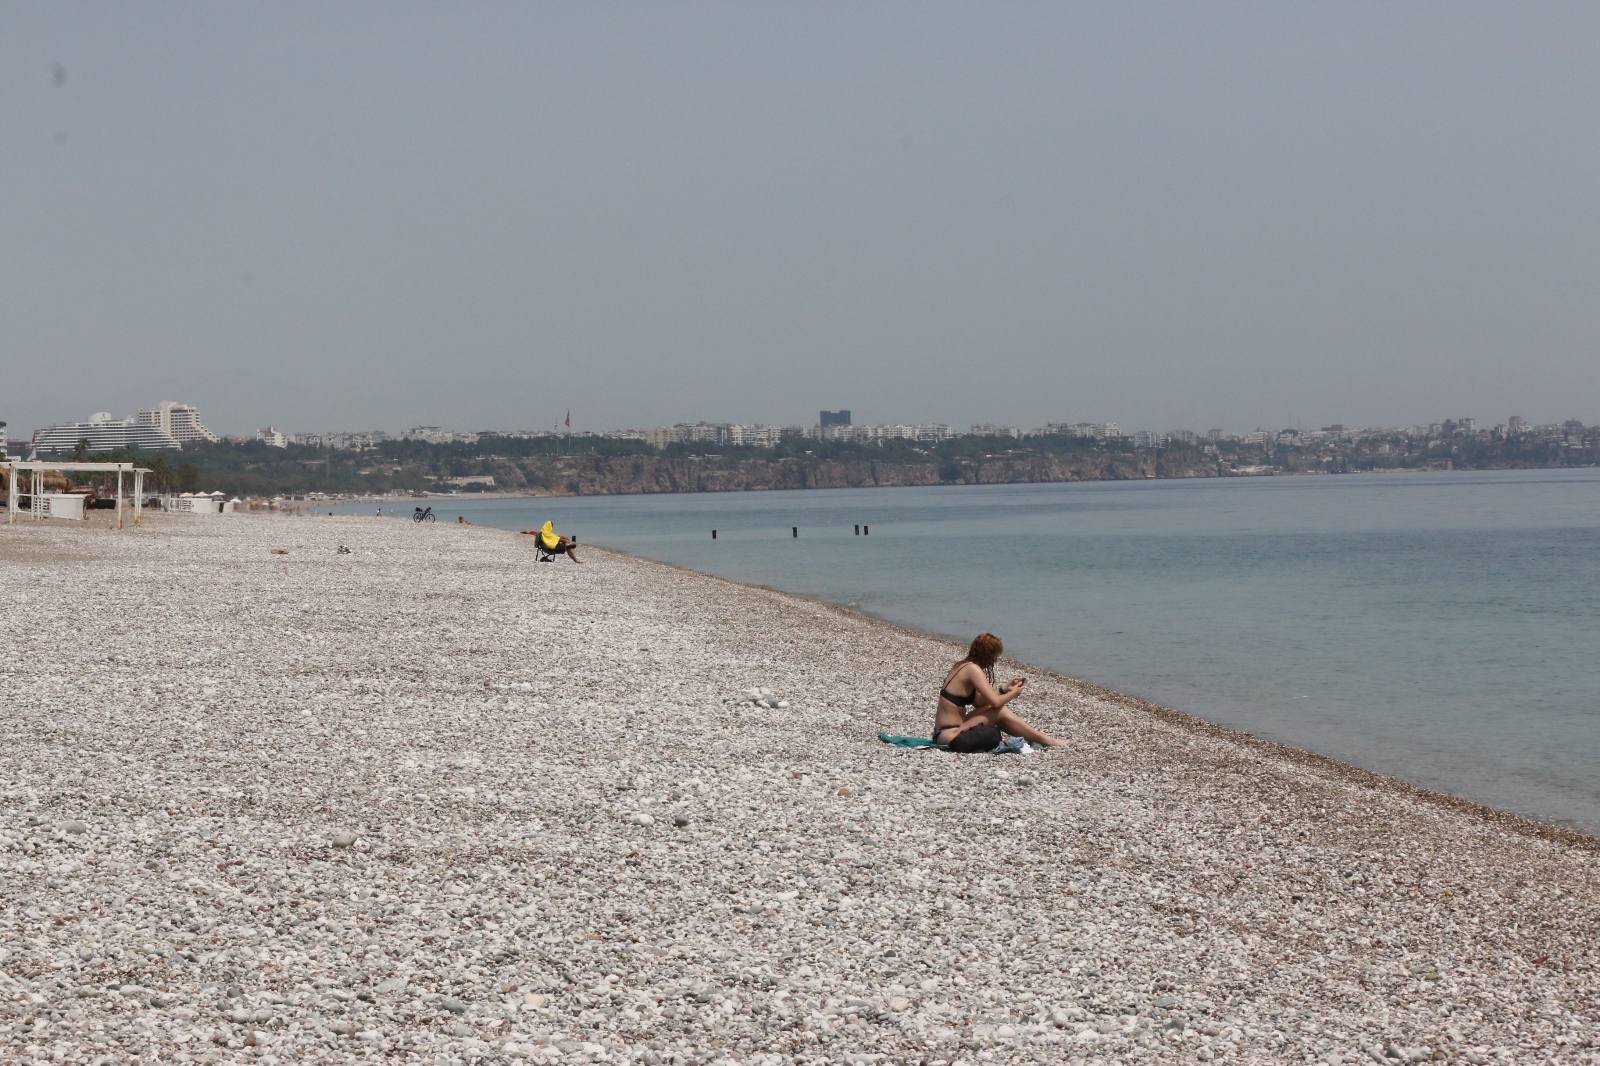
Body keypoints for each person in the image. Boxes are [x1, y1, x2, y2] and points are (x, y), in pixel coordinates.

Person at [933, 633, 1070, 749]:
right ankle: (1047, 740)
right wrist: (1013, 693)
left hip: (944, 732)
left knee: (991, 708)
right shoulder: (973, 670)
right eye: (995, 655)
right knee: (1001, 710)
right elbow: (996, 703)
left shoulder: (962, 666)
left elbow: (980, 703)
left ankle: (1033, 737)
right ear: (988, 654)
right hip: (950, 735)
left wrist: (1004, 689)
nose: (995, 659)